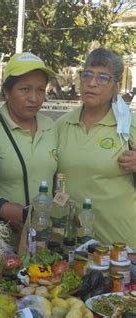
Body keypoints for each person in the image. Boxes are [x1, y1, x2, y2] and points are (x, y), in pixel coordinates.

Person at [56, 48, 136, 249]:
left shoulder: (129, 126)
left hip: (121, 241)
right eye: (87, 75)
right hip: (72, 243)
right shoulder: (61, 125)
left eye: (103, 78)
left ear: (116, 87)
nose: (92, 83)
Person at [0, 52, 57, 234]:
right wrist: (1, 208)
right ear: (6, 91)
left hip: (40, 241)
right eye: (24, 89)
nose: (34, 98)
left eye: (40, 90)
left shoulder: (51, 126)